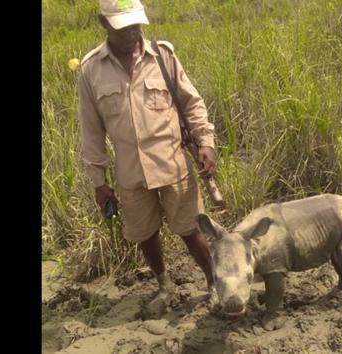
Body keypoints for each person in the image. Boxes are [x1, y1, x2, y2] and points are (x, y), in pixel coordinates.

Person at [77, 0, 217, 317]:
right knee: (145, 234)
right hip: (130, 175)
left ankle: (214, 282)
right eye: (122, 25)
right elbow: (91, 131)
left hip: (173, 166)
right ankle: (164, 285)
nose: (132, 31)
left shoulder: (163, 55)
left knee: (191, 230)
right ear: (104, 23)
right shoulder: (90, 70)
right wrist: (100, 183)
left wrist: (205, 141)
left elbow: (192, 103)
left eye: (136, 23)